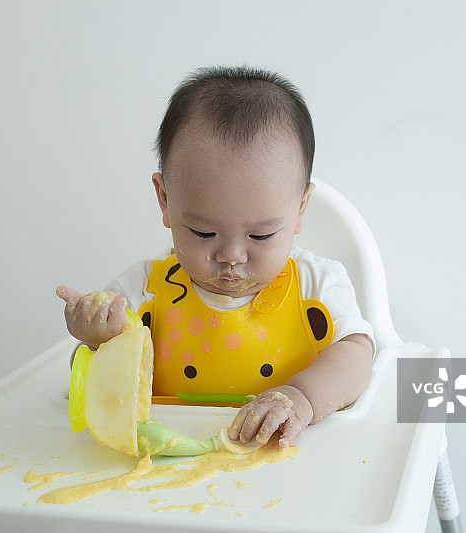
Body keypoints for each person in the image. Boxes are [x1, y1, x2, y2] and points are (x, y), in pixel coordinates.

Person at [57, 66, 374, 448]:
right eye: (203, 233)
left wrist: (302, 397)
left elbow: (357, 357)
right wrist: (96, 344)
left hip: (288, 459)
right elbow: (96, 386)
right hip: (165, 461)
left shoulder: (316, 286)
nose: (231, 256)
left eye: (261, 235)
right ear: (165, 201)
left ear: (301, 209)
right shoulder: (142, 291)